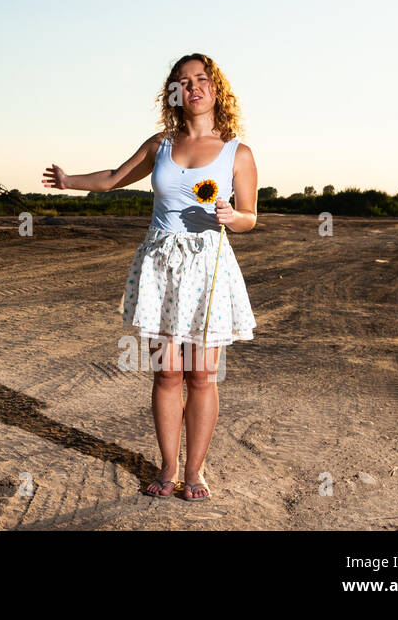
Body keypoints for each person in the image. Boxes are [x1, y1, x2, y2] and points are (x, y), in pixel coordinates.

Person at [42, 53, 257, 501]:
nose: (192, 86)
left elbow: (250, 217)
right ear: (175, 93)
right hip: (161, 263)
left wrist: (232, 214)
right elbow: (114, 178)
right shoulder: (159, 144)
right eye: (183, 81)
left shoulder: (239, 152)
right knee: (166, 374)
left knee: (202, 376)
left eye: (201, 78)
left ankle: (194, 472)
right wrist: (69, 181)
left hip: (208, 265)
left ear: (216, 88)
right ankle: (167, 466)